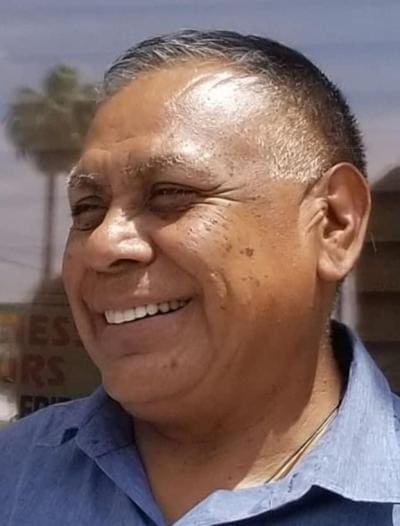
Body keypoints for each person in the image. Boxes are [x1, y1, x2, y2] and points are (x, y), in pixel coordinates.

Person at [0, 30, 398, 525]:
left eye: (169, 193)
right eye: (87, 209)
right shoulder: (13, 475)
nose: (103, 243)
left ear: (334, 224)